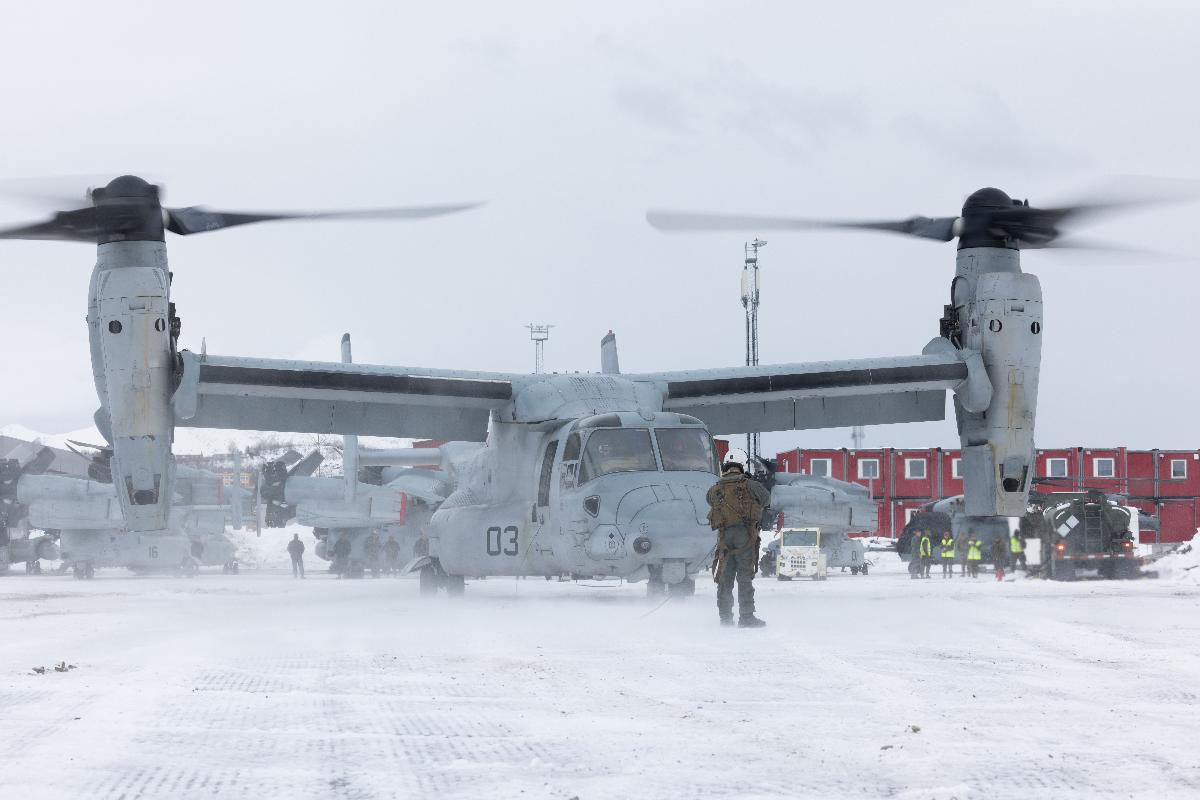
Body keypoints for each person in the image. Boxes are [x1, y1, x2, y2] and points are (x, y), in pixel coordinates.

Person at [706, 458, 770, 628]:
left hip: (724, 536)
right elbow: (766, 499)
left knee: (725, 578)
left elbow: (709, 500)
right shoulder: (748, 484)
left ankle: (725, 618)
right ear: (740, 470)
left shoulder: (716, 488)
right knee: (744, 577)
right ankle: (746, 617)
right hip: (745, 535)